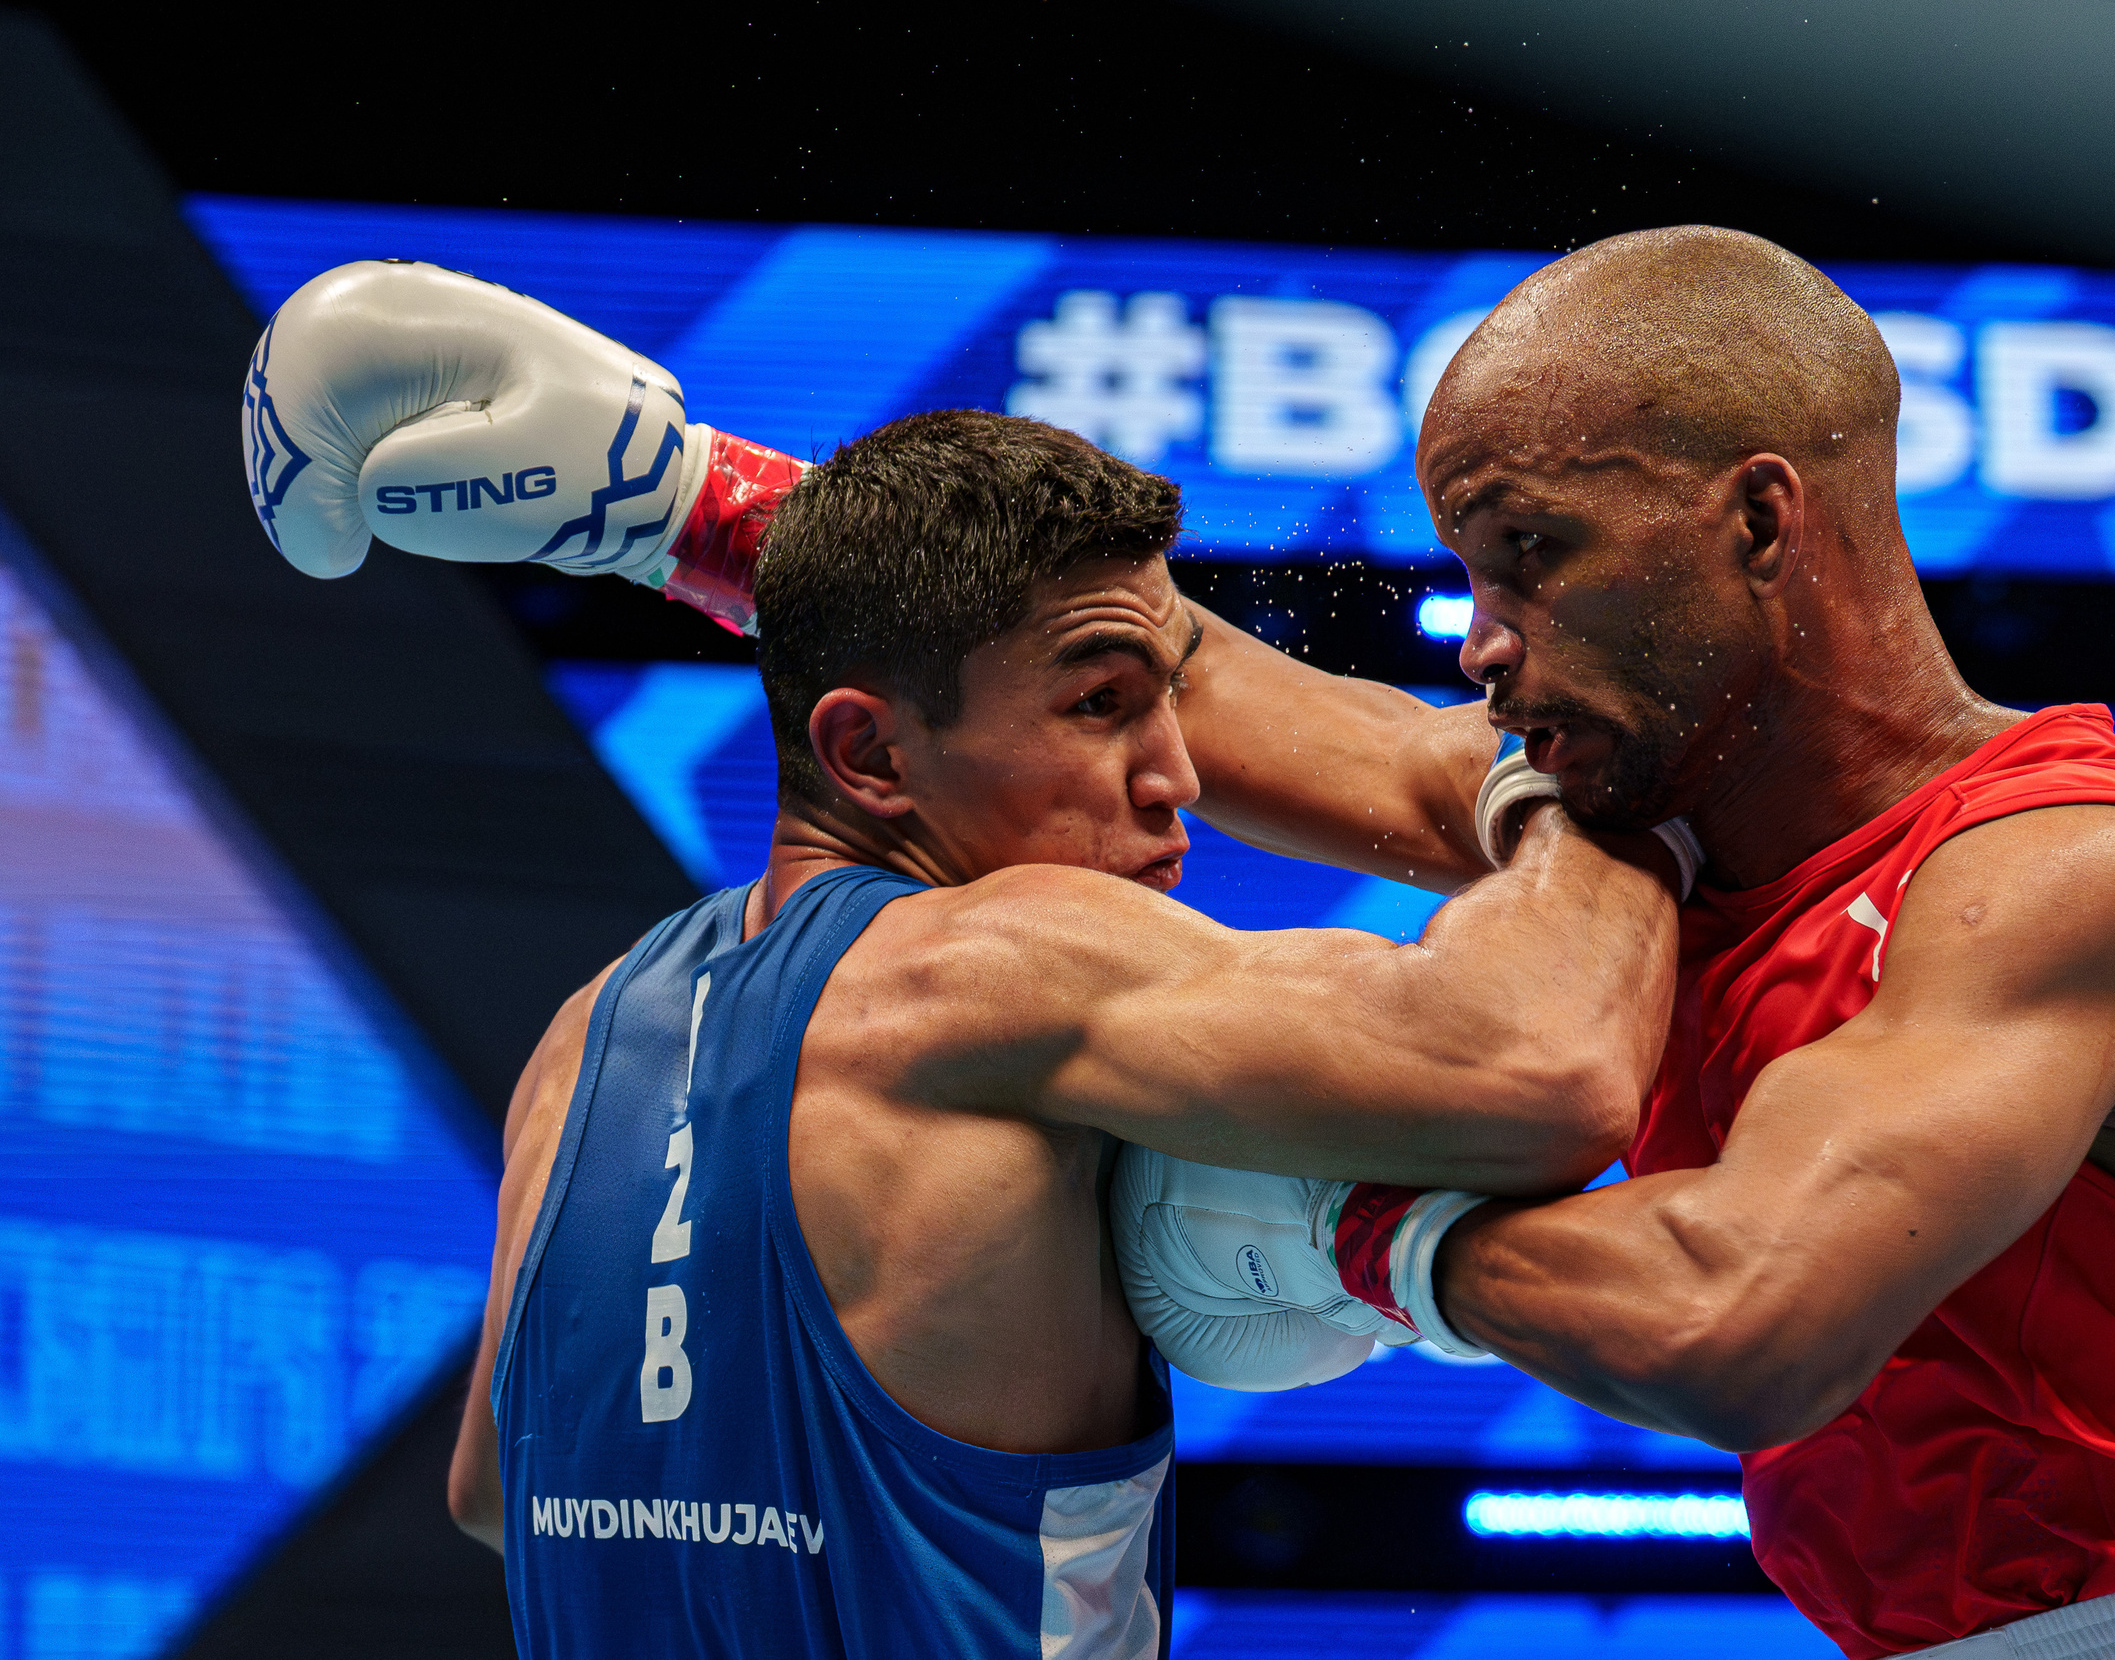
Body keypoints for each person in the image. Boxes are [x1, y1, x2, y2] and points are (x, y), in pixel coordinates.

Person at [242, 262, 1686, 1660]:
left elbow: (494, 1493)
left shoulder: (589, 1031)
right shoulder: (1007, 961)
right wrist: (1623, 785)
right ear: (870, 753)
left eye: (1167, 703)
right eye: (1100, 705)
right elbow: (1543, 1061)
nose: (1181, 775)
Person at [1125, 228, 2115, 1659]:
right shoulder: (1660, 816)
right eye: (1475, 575)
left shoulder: (2067, 876)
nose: (1481, 644)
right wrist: (845, 522)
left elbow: (1739, 1316)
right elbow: (1187, 669)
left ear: (1760, 524)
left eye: (1534, 555)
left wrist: (1350, 1231)